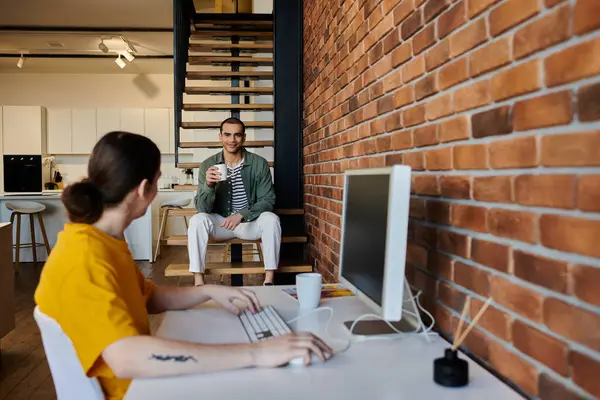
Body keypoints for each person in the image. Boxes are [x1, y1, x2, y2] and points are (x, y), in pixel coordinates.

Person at [34, 131, 331, 400]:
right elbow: (127, 358)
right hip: (135, 389)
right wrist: (255, 352)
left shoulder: (104, 241)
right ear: (144, 189)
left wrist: (211, 292)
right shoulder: (83, 257)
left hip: (144, 382)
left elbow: (149, 296)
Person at [188, 117, 281, 287]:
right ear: (220, 136)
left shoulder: (258, 164)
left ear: (244, 137)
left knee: (271, 219)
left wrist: (242, 215)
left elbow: (268, 200)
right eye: (227, 135)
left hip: (248, 223)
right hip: (220, 223)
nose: (232, 140)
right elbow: (202, 208)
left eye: (237, 135)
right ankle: (198, 281)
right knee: (196, 221)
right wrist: (208, 185)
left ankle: (269, 279)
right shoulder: (208, 165)